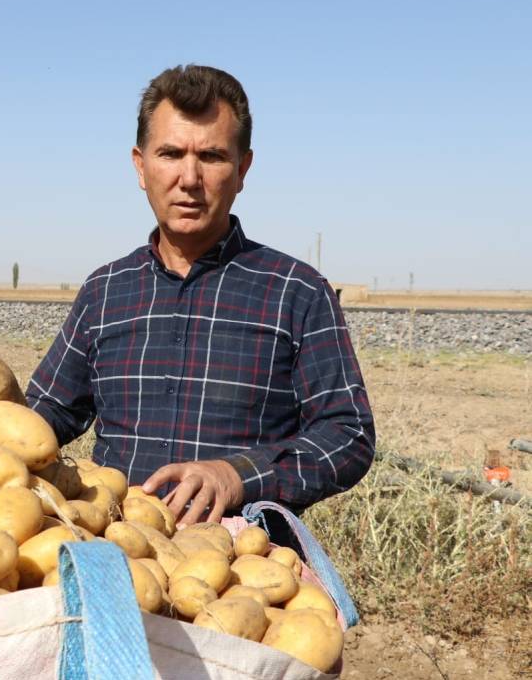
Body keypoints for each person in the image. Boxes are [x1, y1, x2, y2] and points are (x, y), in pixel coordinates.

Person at [26, 65, 374, 525]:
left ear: (242, 168)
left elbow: (348, 434)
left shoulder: (297, 291)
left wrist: (238, 476)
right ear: (140, 165)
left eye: (210, 156)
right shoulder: (105, 291)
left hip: (247, 564)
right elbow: (47, 411)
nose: (189, 178)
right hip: (118, 547)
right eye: (170, 153)